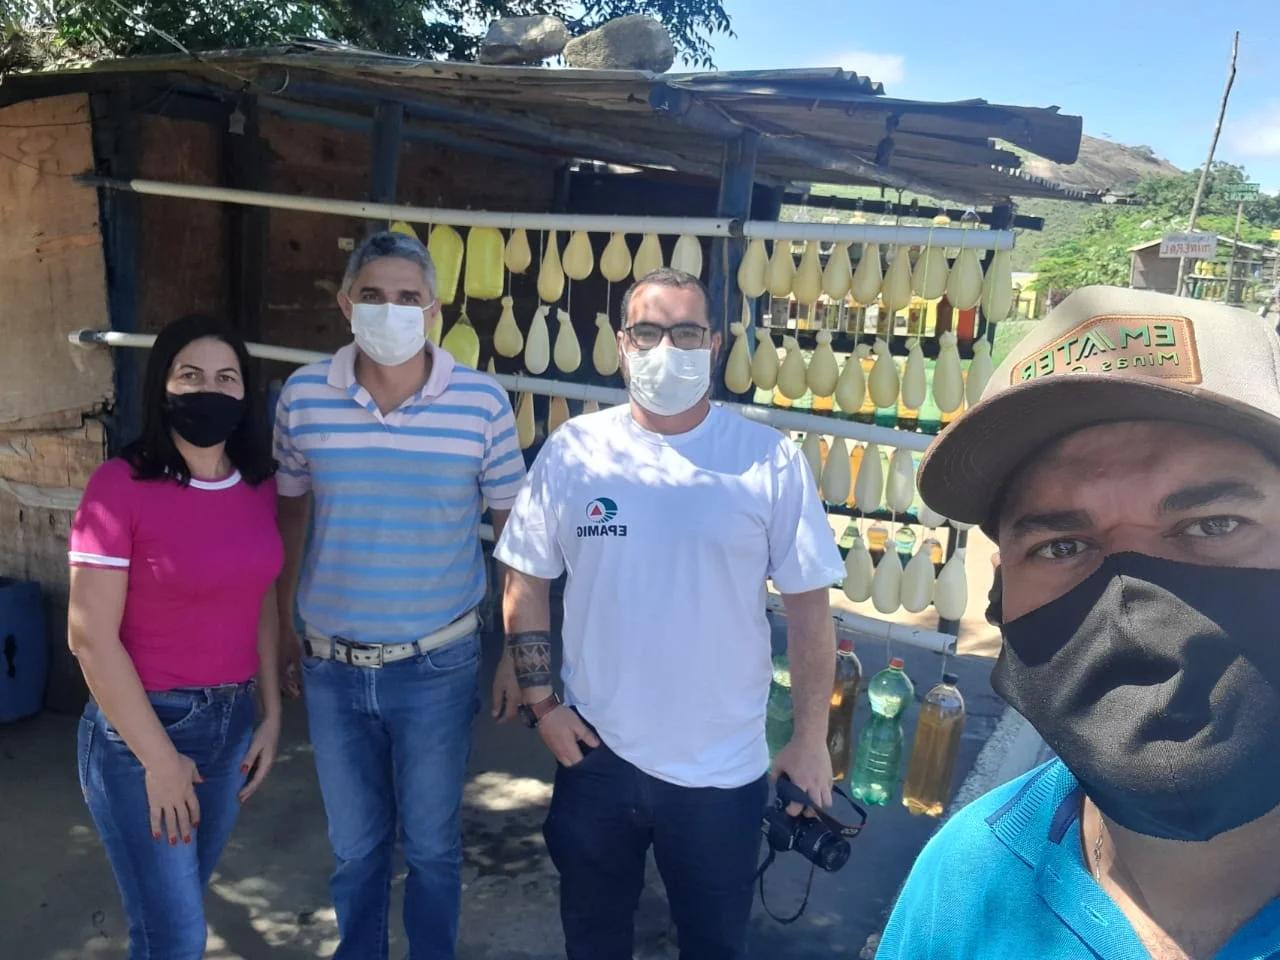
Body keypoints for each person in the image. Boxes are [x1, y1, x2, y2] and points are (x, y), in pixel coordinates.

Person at [876, 286, 1280, 960]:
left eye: (1214, 525)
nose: (1134, 609)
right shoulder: (967, 880)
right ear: (1001, 591)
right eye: (1062, 546)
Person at [494, 267, 846, 960]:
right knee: (593, 940)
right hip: (596, 755)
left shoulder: (767, 459)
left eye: (685, 333)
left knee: (713, 945)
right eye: (648, 332)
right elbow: (524, 576)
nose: (666, 348)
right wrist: (542, 704)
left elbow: (810, 610)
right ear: (622, 345)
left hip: (722, 772)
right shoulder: (574, 450)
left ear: (713, 345)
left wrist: (810, 740)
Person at [273, 230, 526, 960]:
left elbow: (517, 535)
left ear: (434, 311)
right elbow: (288, 516)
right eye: (374, 296)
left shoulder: (481, 402)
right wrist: (282, 625)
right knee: (355, 849)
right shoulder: (304, 397)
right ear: (345, 304)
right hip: (331, 664)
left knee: (432, 846)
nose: (392, 310)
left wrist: (519, 651)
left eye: (409, 297)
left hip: (437, 664)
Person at [69, 314, 283, 960]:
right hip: (141, 733)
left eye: (226, 378)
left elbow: (260, 598)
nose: (208, 390)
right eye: (190, 376)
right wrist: (160, 762)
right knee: (178, 937)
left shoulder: (257, 486)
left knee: (166, 924)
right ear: (161, 385)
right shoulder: (118, 487)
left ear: (245, 392)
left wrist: (271, 712)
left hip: (230, 727)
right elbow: (90, 637)